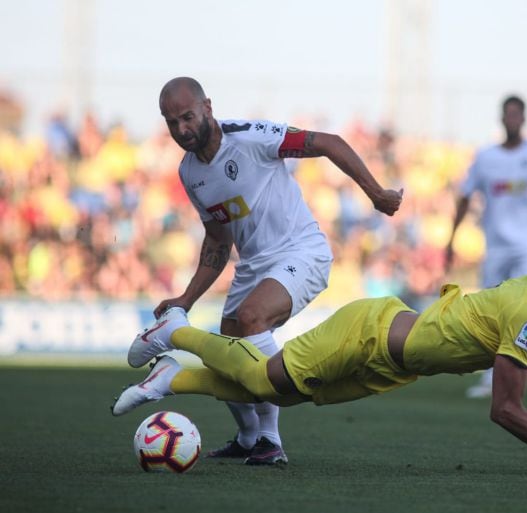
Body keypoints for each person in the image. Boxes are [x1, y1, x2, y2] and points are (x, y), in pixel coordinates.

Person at [113, 239, 527, 476]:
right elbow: (505, 408)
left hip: (392, 366)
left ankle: (174, 379)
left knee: (282, 397)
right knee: (267, 382)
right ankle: (177, 331)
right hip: (369, 332)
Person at [149, 77, 403, 465]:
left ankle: (271, 440)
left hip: (301, 251)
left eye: (187, 117)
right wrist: (186, 298)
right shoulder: (190, 174)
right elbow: (218, 242)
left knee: (253, 319)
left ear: (208, 107)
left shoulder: (251, 139)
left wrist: (376, 194)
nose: (182, 129)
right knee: (222, 355)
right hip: (253, 268)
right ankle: (249, 438)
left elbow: (328, 142)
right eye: (172, 123)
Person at [445, 95, 527, 399]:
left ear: (523, 119)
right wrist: (451, 239)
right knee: (492, 312)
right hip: (495, 248)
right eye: (507, 114)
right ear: (502, 118)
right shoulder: (485, 158)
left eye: (517, 114)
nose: (512, 119)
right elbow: (464, 196)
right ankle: (490, 377)